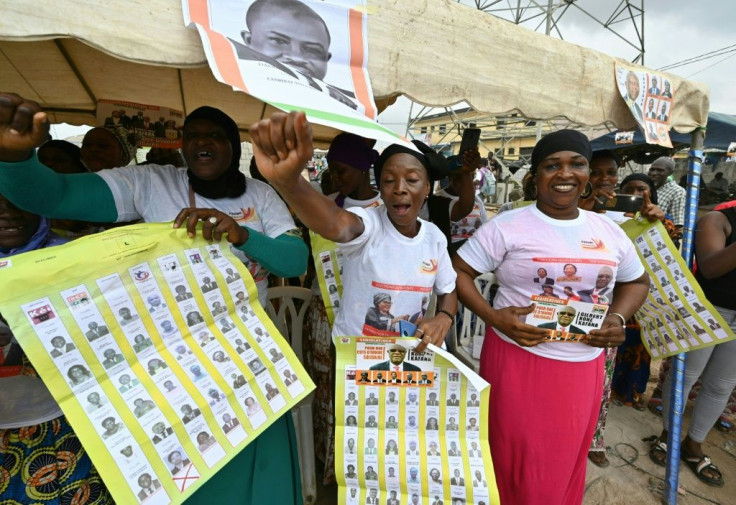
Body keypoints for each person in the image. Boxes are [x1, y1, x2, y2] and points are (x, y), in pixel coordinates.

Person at [0, 94, 309, 503]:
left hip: (246, 357)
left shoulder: (261, 196)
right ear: (181, 146)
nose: (203, 142)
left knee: (255, 473)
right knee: (197, 469)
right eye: (192, 135)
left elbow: (293, 259)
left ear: (234, 146)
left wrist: (241, 234)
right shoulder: (150, 182)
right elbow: (55, 196)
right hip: (173, 369)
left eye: (215, 135)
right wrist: (16, 159)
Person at [453, 129, 649, 505]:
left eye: (576, 164)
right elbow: (458, 272)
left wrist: (619, 319)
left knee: (563, 464)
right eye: (551, 165)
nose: (565, 174)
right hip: (518, 360)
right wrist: (493, 316)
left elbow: (637, 281)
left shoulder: (608, 231)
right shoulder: (507, 226)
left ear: (588, 173)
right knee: (513, 462)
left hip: (583, 367)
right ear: (535, 175)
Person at [649, 205, 736, 487]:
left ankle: (693, 444)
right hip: (710, 310)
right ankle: (668, 435)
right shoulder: (718, 219)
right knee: (686, 375)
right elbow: (710, 268)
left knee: (722, 385)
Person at [235, 0, 357, 109]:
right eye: (279, 41)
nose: (296, 57)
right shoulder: (227, 88)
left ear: (326, 59)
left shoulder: (344, 105)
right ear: (249, 41)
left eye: (312, 50)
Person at [435, 151, 488, 253]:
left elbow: (485, 224)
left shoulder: (476, 199)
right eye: (460, 177)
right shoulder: (438, 200)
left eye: (471, 177)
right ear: (450, 178)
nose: (466, 181)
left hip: (475, 251)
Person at [647, 156, 686, 230]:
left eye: (660, 170)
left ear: (670, 172)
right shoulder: (646, 187)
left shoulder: (677, 192)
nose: (654, 173)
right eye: (652, 169)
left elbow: (677, 225)